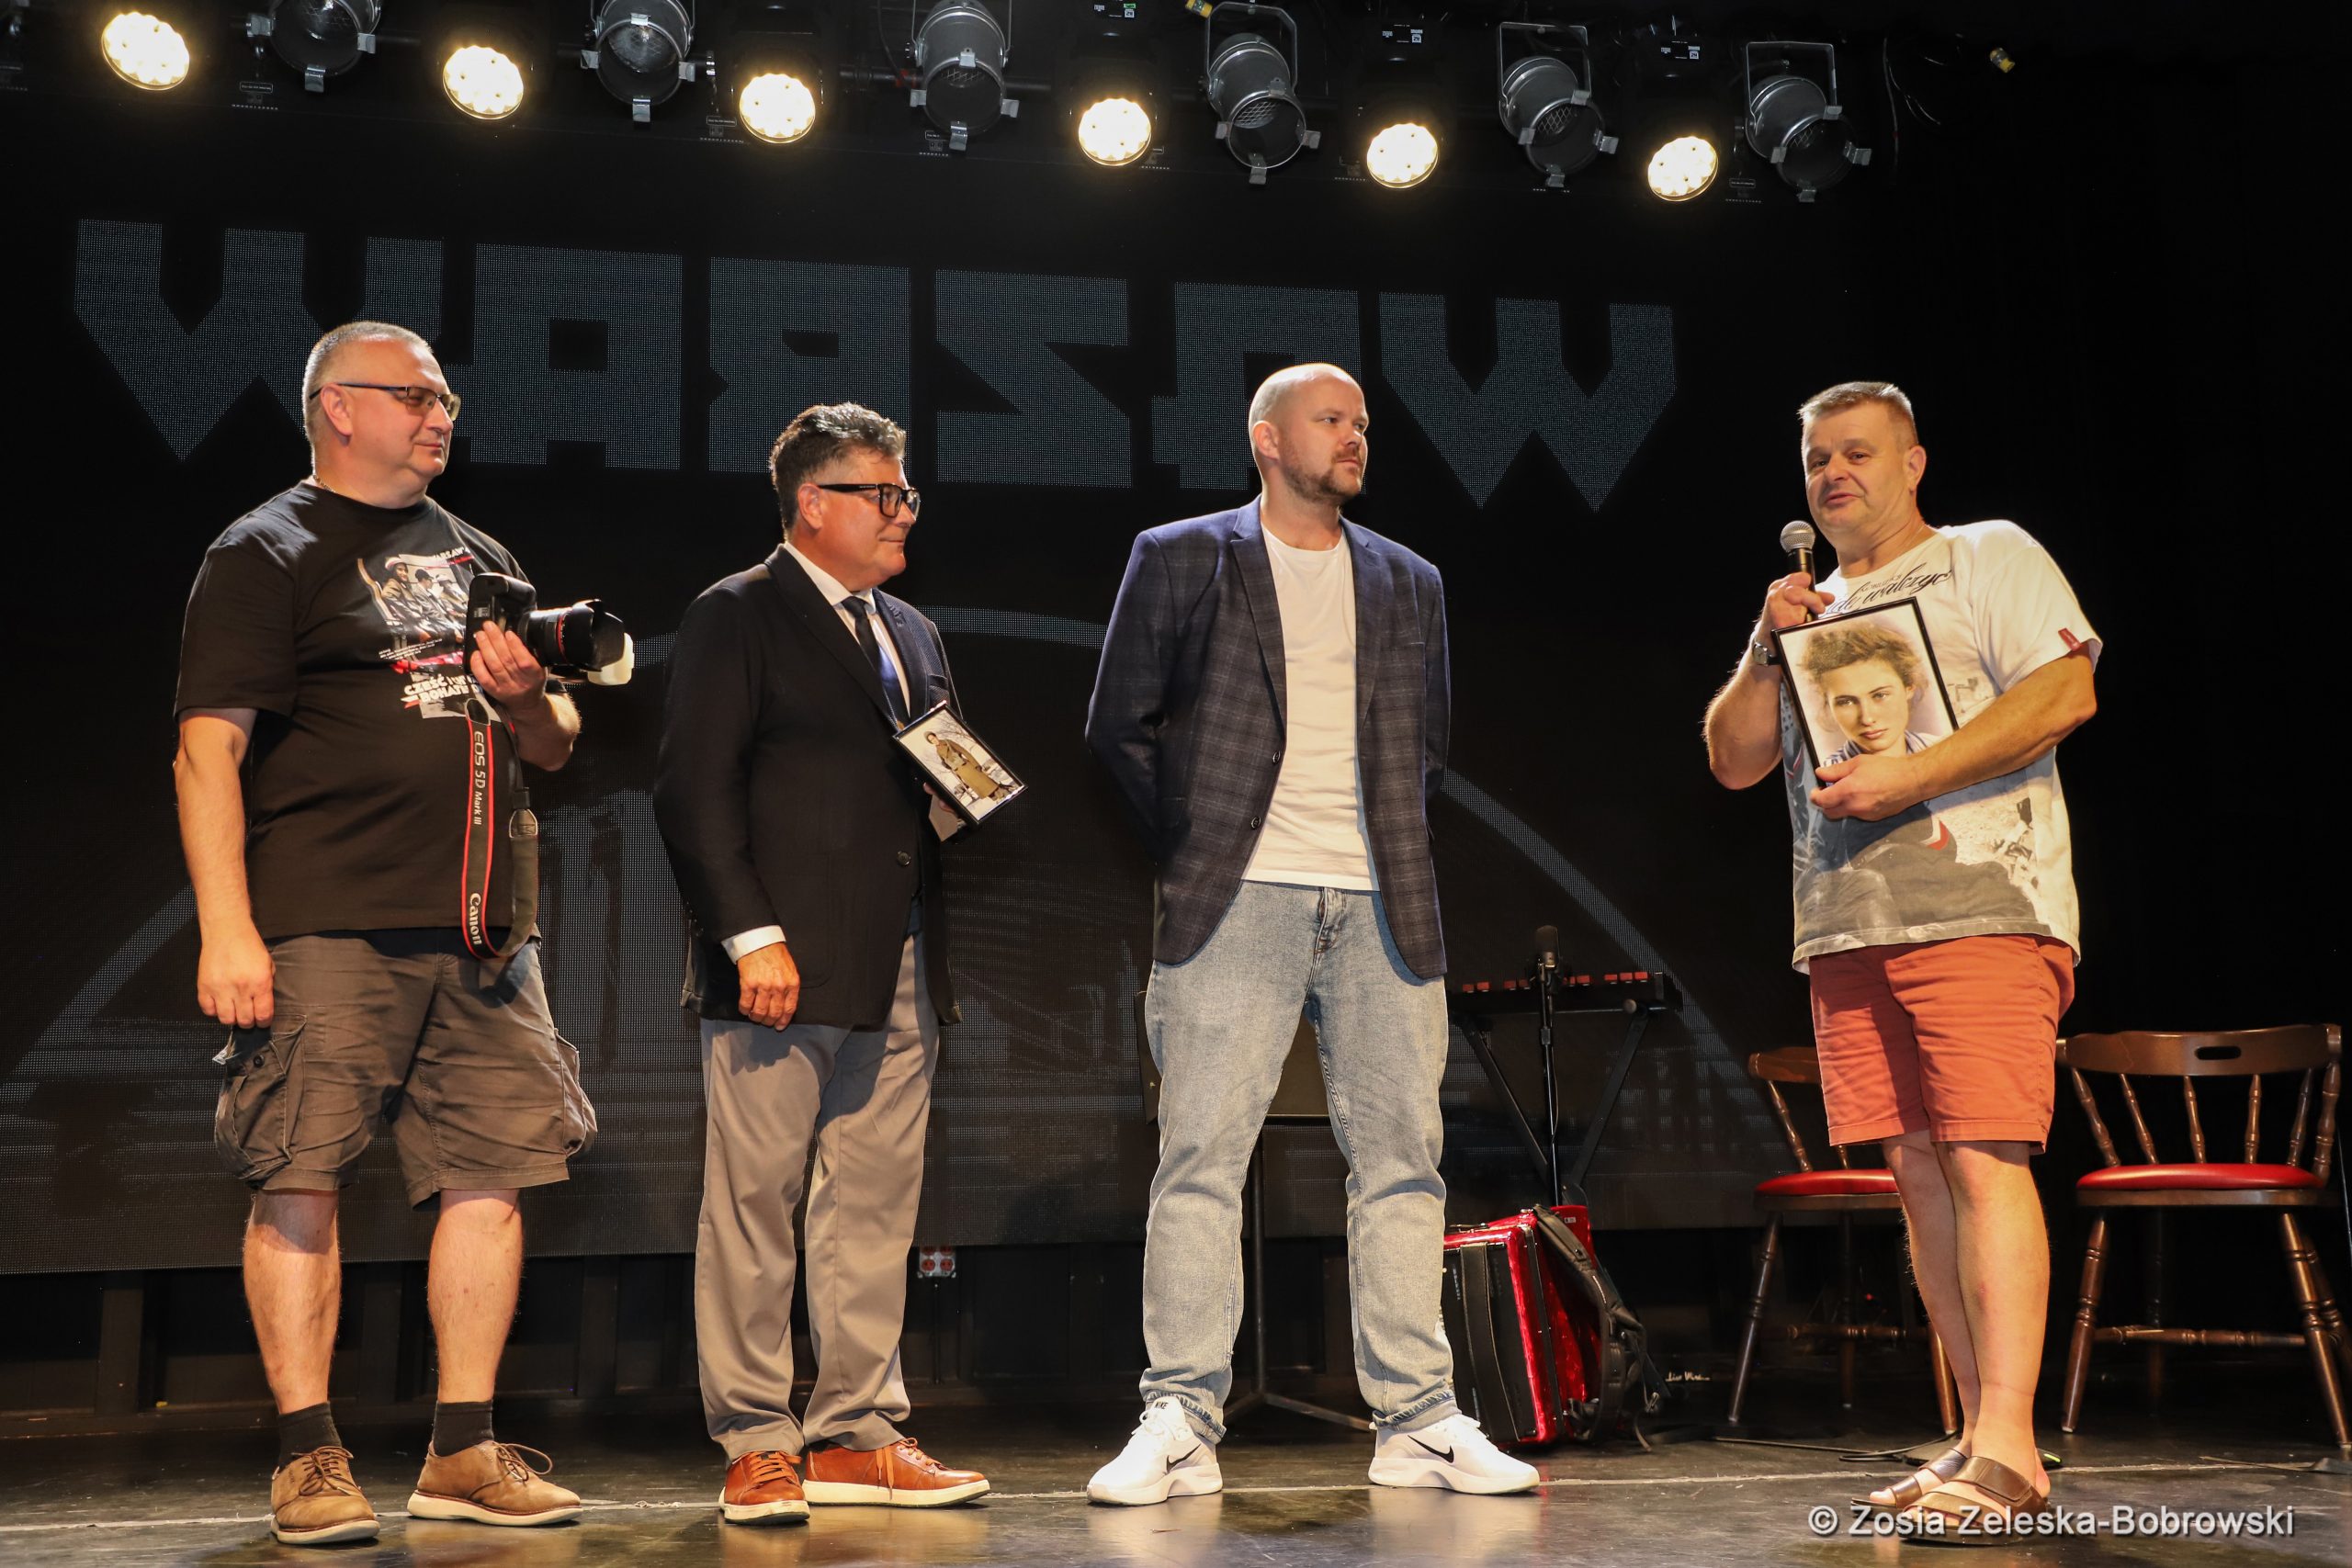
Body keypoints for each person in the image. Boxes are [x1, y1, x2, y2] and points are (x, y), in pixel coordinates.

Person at [1082, 364, 1537, 1505]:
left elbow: (1426, 749)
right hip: (1237, 896)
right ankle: (1181, 1417)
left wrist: (1376, 849)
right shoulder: (1183, 555)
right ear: (1268, 439)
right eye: (1331, 420)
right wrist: (1197, 842)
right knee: (1201, 1158)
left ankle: (1417, 1419)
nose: (1354, 437)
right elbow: (1118, 726)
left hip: (1383, 902)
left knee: (1401, 1163)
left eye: (1362, 423)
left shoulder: (1408, 579)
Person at [174, 321, 595, 1547]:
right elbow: (207, 752)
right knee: (300, 1169)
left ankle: (461, 1449)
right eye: (413, 396)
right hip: (325, 923)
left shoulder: (480, 552)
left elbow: (556, 743)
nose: (439, 414)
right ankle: (309, 1455)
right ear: (337, 407)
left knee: (494, 1175)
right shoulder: (266, 548)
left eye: (446, 397)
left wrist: (527, 696)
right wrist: (227, 929)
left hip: (482, 931)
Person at [1702, 381, 2100, 1535]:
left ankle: (2012, 1448)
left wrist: (1913, 777)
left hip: (1980, 906)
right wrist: (1764, 645)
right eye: (1816, 460)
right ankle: (1978, 1436)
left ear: (1912, 463)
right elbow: (1730, 760)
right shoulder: (1803, 610)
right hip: (1847, 923)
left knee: (1982, 1160)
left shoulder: (1985, 554)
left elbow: (2066, 690)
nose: (1833, 475)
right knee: (1920, 1179)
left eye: (1858, 453)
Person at [653, 403, 989, 1527]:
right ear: (812, 503)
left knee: (874, 1206)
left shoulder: (912, 631)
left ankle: (854, 1432)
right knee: (755, 1202)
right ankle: (757, 1437)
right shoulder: (738, 612)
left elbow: (930, 771)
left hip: (899, 954)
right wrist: (749, 935)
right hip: (779, 963)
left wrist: (968, 796)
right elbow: (692, 791)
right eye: (881, 494)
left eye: (906, 495)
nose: (903, 514)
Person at [1800, 620, 1933, 763]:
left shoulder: (1943, 749)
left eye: (1880, 695)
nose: (1867, 719)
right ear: (1828, 703)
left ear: (1909, 688)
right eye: (1846, 702)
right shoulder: (1825, 774)